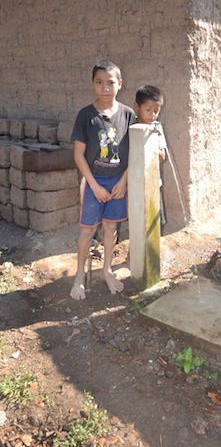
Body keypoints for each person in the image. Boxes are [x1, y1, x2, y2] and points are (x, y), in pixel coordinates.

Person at [70, 60, 135, 300]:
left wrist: (124, 181)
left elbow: (135, 153)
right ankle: (79, 275)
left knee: (111, 227)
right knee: (87, 231)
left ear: (120, 84)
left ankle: (106, 271)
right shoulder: (86, 116)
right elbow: (78, 154)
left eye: (110, 82)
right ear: (93, 84)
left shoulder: (128, 114)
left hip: (117, 181)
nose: (105, 88)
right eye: (99, 82)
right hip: (93, 182)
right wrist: (94, 186)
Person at [134, 85, 167, 226]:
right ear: (137, 106)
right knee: (136, 220)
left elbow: (162, 157)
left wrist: (150, 146)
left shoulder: (157, 128)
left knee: (154, 222)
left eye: (156, 111)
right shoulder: (131, 126)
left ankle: (153, 247)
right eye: (148, 110)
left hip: (153, 182)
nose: (152, 115)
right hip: (133, 183)